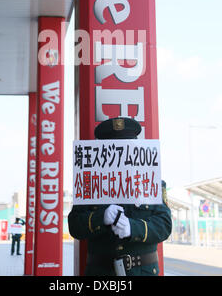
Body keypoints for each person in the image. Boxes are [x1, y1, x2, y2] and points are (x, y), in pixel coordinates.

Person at [68, 117, 172, 276]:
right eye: (114, 147)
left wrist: (133, 228)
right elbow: (75, 226)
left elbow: (164, 226)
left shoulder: (152, 181)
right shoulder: (88, 184)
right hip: (100, 273)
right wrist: (100, 217)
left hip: (142, 271)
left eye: (126, 147)